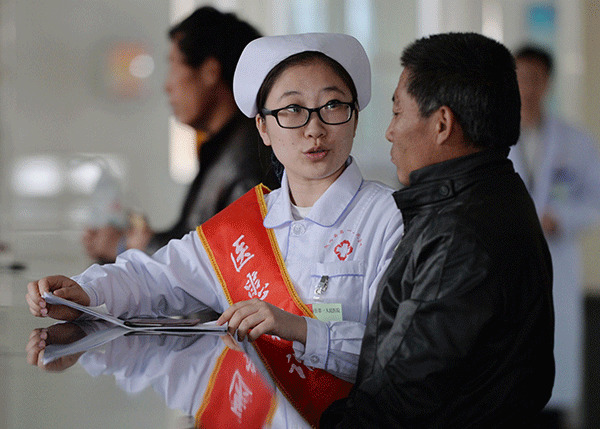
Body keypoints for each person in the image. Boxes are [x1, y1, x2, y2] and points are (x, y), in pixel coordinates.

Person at [26, 33, 404, 427]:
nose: (314, 128)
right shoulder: (249, 222)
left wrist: (300, 329)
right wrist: (86, 292)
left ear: (355, 115)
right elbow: (159, 278)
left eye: (332, 105)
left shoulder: (387, 217)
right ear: (263, 127)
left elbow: (402, 352)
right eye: (292, 109)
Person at [321, 32, 555, 428]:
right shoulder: (494, 193)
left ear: (443, 123)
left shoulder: (459, 232)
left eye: (397, 112)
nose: (390, 132)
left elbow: (403, 390)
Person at [82, 6, 277, 263]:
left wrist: (132, 246)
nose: (167, 85)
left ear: (210, 71)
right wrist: (132, 243)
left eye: (174, 64)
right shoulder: (226, 146)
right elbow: (195, 239)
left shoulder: (246, 158)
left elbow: (227, 263)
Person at [510, 44, 600, 425]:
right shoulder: (491, 139)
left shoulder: (575, 142)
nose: (527, 87)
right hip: (508, 268)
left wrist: (561, 217)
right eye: (520, 78)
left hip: (556, 266)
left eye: (534, 78)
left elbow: (596, 201)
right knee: (508, 378)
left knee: (554, 377)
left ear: (547, 82)